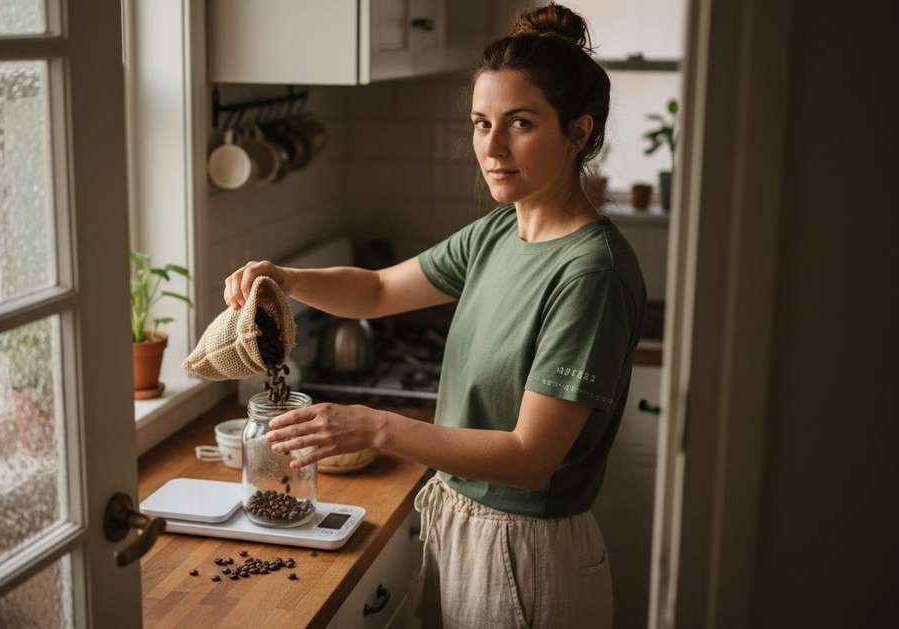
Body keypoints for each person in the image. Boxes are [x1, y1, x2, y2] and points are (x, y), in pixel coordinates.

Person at [223, 5, 645, 627]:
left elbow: (530, 458)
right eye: (481, 124)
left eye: (520, 123)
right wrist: (289, 279)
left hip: (526, 553)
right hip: (460, 522)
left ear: (577, 132)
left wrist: (376, 427)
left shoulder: (591, 273)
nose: (491, 148)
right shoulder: (499, 232)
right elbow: (375, 291)